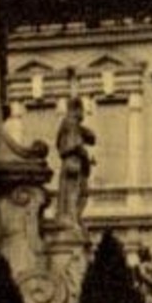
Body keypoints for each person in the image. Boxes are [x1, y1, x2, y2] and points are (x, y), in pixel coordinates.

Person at [55, 97, 96, 228]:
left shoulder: (72, 125)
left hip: (74, 164)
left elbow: (92, 138)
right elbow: (76, 146)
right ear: (76, 110)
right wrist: (85, 155)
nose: (83, 113)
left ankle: (73, 219)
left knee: (80, 193)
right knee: (75, 193)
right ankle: (72, 219)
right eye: (81, 110)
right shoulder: (70, 123)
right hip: (73, 164)